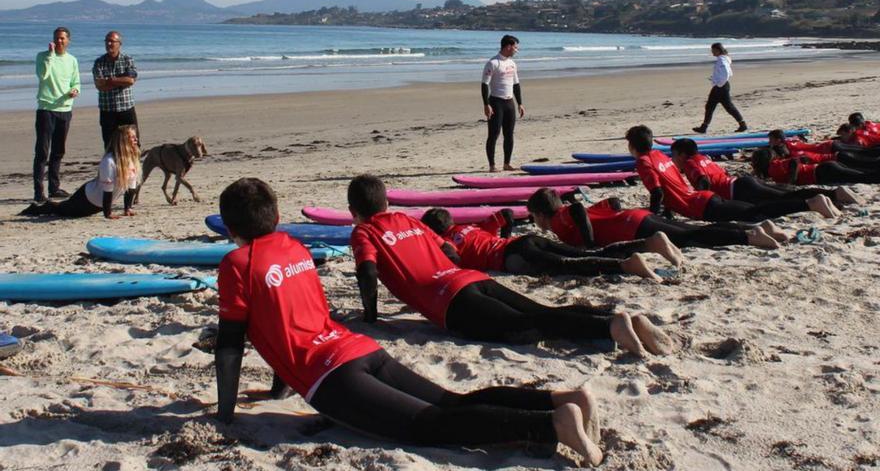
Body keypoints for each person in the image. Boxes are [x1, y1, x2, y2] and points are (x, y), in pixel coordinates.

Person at [214, 177, 606, 465]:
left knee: (430, 425)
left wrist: (225, 412)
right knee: (453, 402)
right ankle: (560, 400)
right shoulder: (294, 248)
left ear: (230, 227)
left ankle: (550, 425)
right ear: (278, 216)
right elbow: (291, 319)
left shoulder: (236, 265)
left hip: (331, 377)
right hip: (359, 349)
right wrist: (277, 391)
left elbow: (231, 344)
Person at [348, 174, 673, 357]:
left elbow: (368, 271)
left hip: (450, 300)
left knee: (527, 326)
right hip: (470, 278)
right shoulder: (407, 220)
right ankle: (618, 318)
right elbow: (451, 251)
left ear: (354, 211)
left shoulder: (363, 231)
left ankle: (610, 327)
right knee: (537, 309)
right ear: (387, 202)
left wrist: (371, 315)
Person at [626, 125, 839, 222]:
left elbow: (660, 191)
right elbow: (672, 188)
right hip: (728, 188)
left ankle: (812, 203)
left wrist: (655, 216)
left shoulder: (657, 163)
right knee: (773, 199)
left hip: (717, 197)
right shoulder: (667, 157)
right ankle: (825, 198)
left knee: (758, 211)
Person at [420, 207, 681, 280]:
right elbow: (505, 215)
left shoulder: (445, 241)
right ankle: (649, 244)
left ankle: (626, 266)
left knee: (567, 265)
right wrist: (502, 237)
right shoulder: (472, 227)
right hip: (525, 240)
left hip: (514, 257)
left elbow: (451, 259)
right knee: (584, 254)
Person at [526, 188, 784, 251]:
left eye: (532, 217)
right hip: (635, 217)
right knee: (693, 229)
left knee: (690, 237)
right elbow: (613, 202)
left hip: (634, 226)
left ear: (539, 214)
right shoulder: (563, 219)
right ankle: (757, 228)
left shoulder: (560, 219)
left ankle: (748, 236)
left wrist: (590, 242)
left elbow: (579, 210)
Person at [670, 138, 861, 206]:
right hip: (741, 182)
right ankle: (833, 194)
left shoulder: (689, 163)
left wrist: (700, 197)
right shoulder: (704, 158)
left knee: (784, 197)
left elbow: (703, 181)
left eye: (674, 155)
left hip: (739, 189)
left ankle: (832, 194)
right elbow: (718, 174)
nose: (674, 159)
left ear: (681, 154)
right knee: (785, 193)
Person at [20, 125, 140, 219]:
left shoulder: (131, 160)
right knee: (60, 210)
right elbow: (107, 191)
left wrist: (127, 209)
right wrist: (107, 213)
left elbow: (131, 187)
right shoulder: (109, 161)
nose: (136, 139)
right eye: (132, 137)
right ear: (123, 140)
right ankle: (36, 208)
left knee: (62, 208)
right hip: (86, 199)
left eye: (135, 136)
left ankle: (47, 206)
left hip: (98, 204)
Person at [33, 26, 80, 203]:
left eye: (62, 38)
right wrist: (51, 55)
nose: (59, 41)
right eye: (57, 38)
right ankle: (39, 192)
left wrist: (75, 90)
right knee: (42, 152)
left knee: (58, 151)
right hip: (46, 109)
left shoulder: (72, 60)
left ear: (68, 40)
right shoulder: (42, 57)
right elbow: (43, 75)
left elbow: (76, 81)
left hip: (65, 109)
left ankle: (54, 188)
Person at [482, 35, 525, 172]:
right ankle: (492, 165)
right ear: (508, 46)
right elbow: (484, 84)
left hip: (509, 103)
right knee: (493, 134)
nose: (516, 50)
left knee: (509, 134)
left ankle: (507, 163)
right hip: (496, 102)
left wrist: (520, 103)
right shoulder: (493, 63)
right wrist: (486, 104)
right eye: (515, 47)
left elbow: (516, 84)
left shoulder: (512, 63)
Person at [92, 30, 138, 150]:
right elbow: (100, 85)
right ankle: (113, 169)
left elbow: (131, 80)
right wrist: (120, 81)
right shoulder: (99, 62)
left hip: (126, 108)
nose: (109, 44)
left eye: (112, 41)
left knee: (132, 144)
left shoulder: (128, 60)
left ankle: (132, 169)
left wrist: (111, 80)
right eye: (107, 41)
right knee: (109, 146)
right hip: (107, 110)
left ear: (119, 43)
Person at [693, 42, 747, 134]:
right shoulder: (724, 59)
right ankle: (742, 124)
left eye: (713, 50)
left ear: (718, 50)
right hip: (722, 86)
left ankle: (704, 127)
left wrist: (719, 84)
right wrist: (714, 79)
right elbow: (728, 73)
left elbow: (726, 73)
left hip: (720, 87)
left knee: (711, 106)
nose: (712, 52)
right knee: (727, 107)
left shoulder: (722, 60)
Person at [751, 147, 880, 186]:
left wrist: (791, 182)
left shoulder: (773, 167)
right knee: (864, 174)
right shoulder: (773, 168)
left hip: (823, 172)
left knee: (865, 177)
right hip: (824, 170)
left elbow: (794, 162)